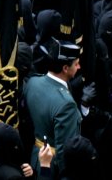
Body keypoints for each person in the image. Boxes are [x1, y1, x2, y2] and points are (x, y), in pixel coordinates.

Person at [22, 40, 82, 175]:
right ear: (65, 68)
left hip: (35, 158)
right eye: (76, 64)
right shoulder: (67, 104)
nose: (79, 67)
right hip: (52, 167)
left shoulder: (33, 82)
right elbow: (65, 151)